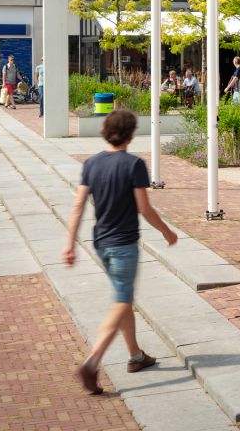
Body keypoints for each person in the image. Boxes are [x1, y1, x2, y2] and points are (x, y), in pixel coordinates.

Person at [62, 110, 177, 395]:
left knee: (123, 298)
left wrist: (69, 243)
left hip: (101, 243)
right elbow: (144, 208)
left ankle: (136, 355)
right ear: (130, 134)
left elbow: (78, 206)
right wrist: (166, 231)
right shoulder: (134, 165)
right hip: (124, 244)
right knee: (121, 300)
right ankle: (92, 361)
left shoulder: (91, 163)